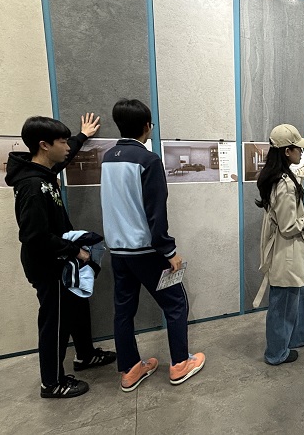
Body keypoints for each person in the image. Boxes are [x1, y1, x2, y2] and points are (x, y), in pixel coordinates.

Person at [5, 114, 116, 399]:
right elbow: (34, 236)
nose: (67, 147)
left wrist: (82, 136)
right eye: (62, 142)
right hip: (47, 265)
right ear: (44, 145)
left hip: (60, 260)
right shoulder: (32, 186)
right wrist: (74, 250)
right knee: (54, 321)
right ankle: (52, 383)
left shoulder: (44, 172)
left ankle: (85, 355)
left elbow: (63, 160)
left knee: (77, 306)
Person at [100, 98, 205, 392]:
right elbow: (156, 212)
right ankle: (180, 364)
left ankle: (131, 369)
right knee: (176, 304)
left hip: (118, 250)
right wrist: (169, 251)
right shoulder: (148, 160)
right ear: (147, 126)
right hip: (146, 250)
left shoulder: (108, 158)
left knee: (123, 311)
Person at [256, 124, 304, 365]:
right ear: (287, 151)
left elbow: (296, 176)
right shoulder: (284, 185)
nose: (301, 153)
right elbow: (288, 227)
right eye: (298, 149)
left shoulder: (278, 175)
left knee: (297, 294)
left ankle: (299, 335)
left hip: (288, 251)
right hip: (285, 252)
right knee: (284, 303)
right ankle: (276, 353)